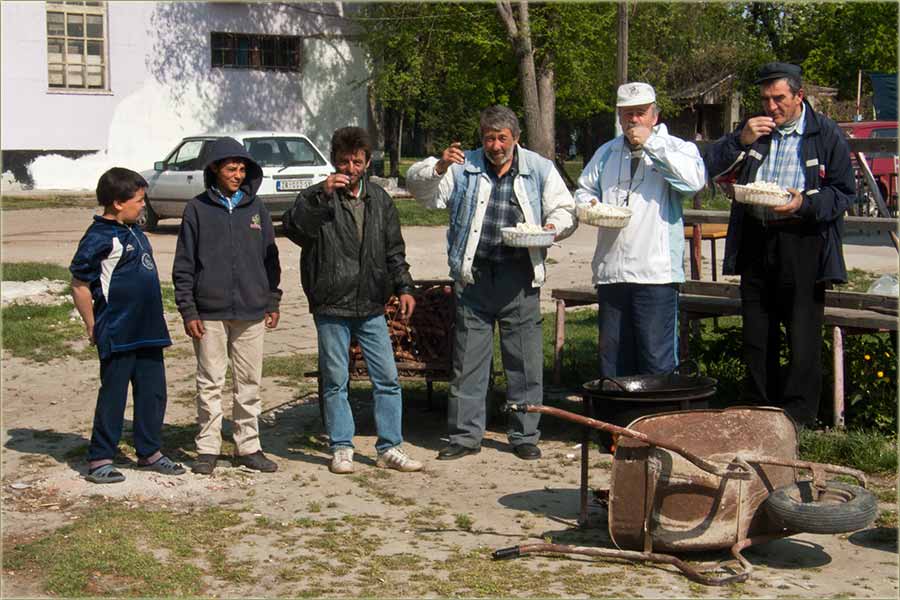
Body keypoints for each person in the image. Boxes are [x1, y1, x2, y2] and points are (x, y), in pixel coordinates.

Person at [406, 105, 577, 461]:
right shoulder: (462, 166)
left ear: (516, 138)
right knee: (468, 362)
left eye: (502, 138)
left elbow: (565, 209)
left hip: (520, 277)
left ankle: (525, 434)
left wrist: (552, 227)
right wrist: (438, 167)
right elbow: (421, 192)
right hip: (475, 278)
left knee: (524, 361)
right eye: (488, 138)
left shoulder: (538, 168)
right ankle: (465, 436)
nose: (495, 146)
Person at [703, 62, 855, 427]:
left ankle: (799, 416)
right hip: (757, 236)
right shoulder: (755, 131)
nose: (771, 107)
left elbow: (843, 192)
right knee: (757, 330)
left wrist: (805, 203)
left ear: (799, 96)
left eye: (779, 98)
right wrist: (739, 140)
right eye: (765, 99)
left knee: (802, 331)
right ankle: (759, 409)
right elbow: (707, 166)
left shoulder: (824, 133)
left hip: (803, 240)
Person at [282, 126, 423, 475]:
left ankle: (389, 447)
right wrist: (322, 196)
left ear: (367, 162)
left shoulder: (380, 199)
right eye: (344, 162)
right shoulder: (316, 195)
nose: (350, 168)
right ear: (334, 161)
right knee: (335, 381)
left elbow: (394, 250)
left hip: (370, 303)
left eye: (357, 162)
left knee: (387, 378)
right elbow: (295, 230)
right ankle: (341, 446)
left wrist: (404, 287)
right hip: (331, 303)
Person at [575, 82, 706, 378]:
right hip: (611, 271)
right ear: (619, 116)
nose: (633, 119)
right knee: (613, 359)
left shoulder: (677, 148)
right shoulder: (607, 152)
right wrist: (589, 204)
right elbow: (583, 190)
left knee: (656, 358)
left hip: (655, 273)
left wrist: (652, 145)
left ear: (654, 115)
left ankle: (657, 409)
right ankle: (615, 408)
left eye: (640, 112)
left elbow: (693, 183)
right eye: (627, 113)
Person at [173, 137, 282, 475]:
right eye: (231, 169)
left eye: (242, 169)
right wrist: (189, 309)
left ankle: (248, 446)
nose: (238, 175)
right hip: (209, 312)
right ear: (214, 170)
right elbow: (184, 264)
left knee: (249, 382)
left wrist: (272, 299)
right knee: (210, 381)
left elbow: (270, 258)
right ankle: (207, 448)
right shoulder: (196, 209)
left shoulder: (256, 208)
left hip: (251, 310)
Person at [70, 167, 185, 484]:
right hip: (118, 331)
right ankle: (100, 458)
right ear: (118, 203)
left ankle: (150, 452)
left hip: (149, 330)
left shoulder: (135, 230)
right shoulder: (99, 237)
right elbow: (79, 285)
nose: (143, 205)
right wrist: (92, 325)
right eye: (139, 200)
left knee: (153, 393)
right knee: (114, 395)